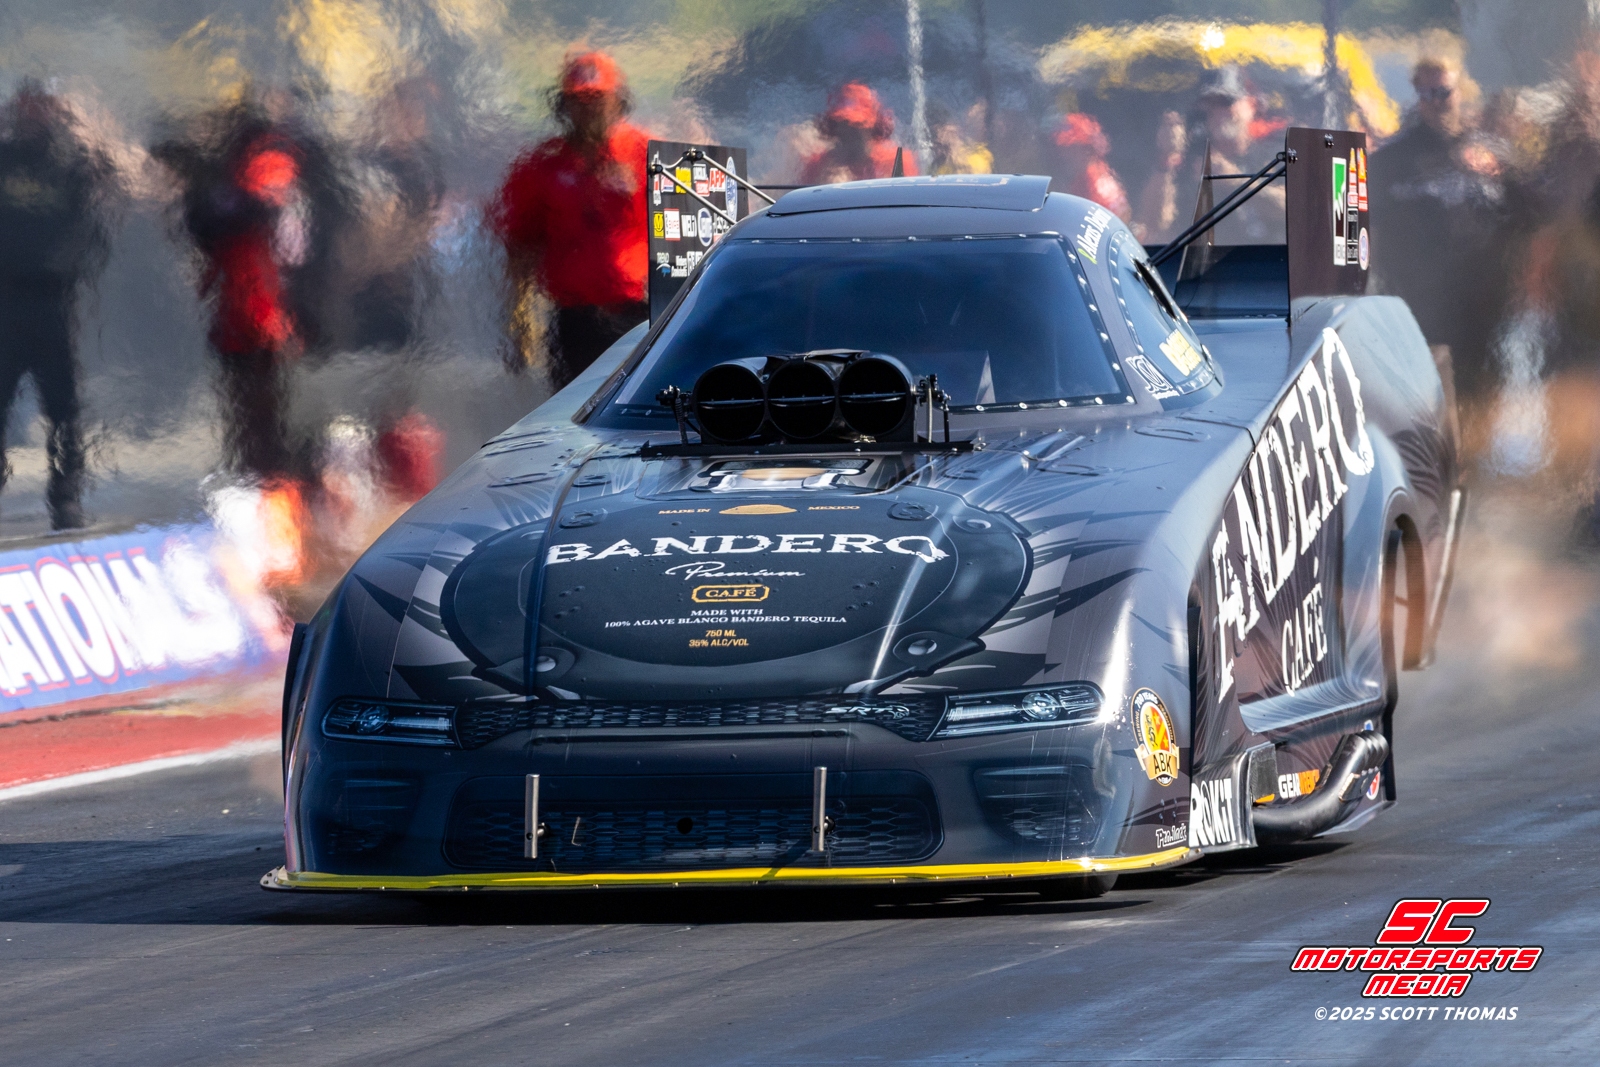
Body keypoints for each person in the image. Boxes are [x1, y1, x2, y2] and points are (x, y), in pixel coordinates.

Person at [491, 51, 651, 389]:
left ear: (617, 101)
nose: (589, 108)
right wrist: (520, 318)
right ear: (563, 106)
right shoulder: (543, 166)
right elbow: (521, 245)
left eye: (597, 98)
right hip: (574, 319)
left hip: (639, 314)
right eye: (579, 100)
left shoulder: (646, 154)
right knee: (573, 408)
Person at [0, 80, 118, 530]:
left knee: (63, 407)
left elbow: (90, 230)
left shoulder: (70, 165)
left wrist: (64, 266)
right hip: (7, 304)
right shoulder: (4, 158)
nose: (32, 117)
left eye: (40, 109)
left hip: (52, 305)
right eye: (25, 109)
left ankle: (66, 494)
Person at [1369, 56, 1506, 403]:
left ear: (1461, 92)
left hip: (1479, 297)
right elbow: (1373, 226)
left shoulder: (1488, 151)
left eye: (1443, 92)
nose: (1435, 103)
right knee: (1428, 394)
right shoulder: (1393, 159)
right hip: (1420, 297)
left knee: (1482, 390)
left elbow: (1518, 217)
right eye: (1426, 94)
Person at [1136, 66, 1286, 244]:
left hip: (1269, 257)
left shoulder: (1274, 151)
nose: (1218, 112)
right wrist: (1167, 158)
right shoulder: (1192, 159)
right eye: (1210, 105)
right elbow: (1155, 224)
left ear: (1251, 105)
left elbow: (1291, 208)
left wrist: (1233, 179)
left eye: (1226, 102)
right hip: (1212, 258)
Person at [800, 83, 919, 185]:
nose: (849, 131)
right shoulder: (819, 165)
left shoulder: (895, 162)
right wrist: (825, 184)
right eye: (843, 122)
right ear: (834, 126)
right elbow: (803, 199)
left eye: (858, 124)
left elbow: (909, 199)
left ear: (873, 126)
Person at [1052, 113, 1131, 223]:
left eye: (1071, 148)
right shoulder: (1090, 177)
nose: (1064, 155)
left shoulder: (1093, 187)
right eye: (1063, 149)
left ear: (1087, 150)